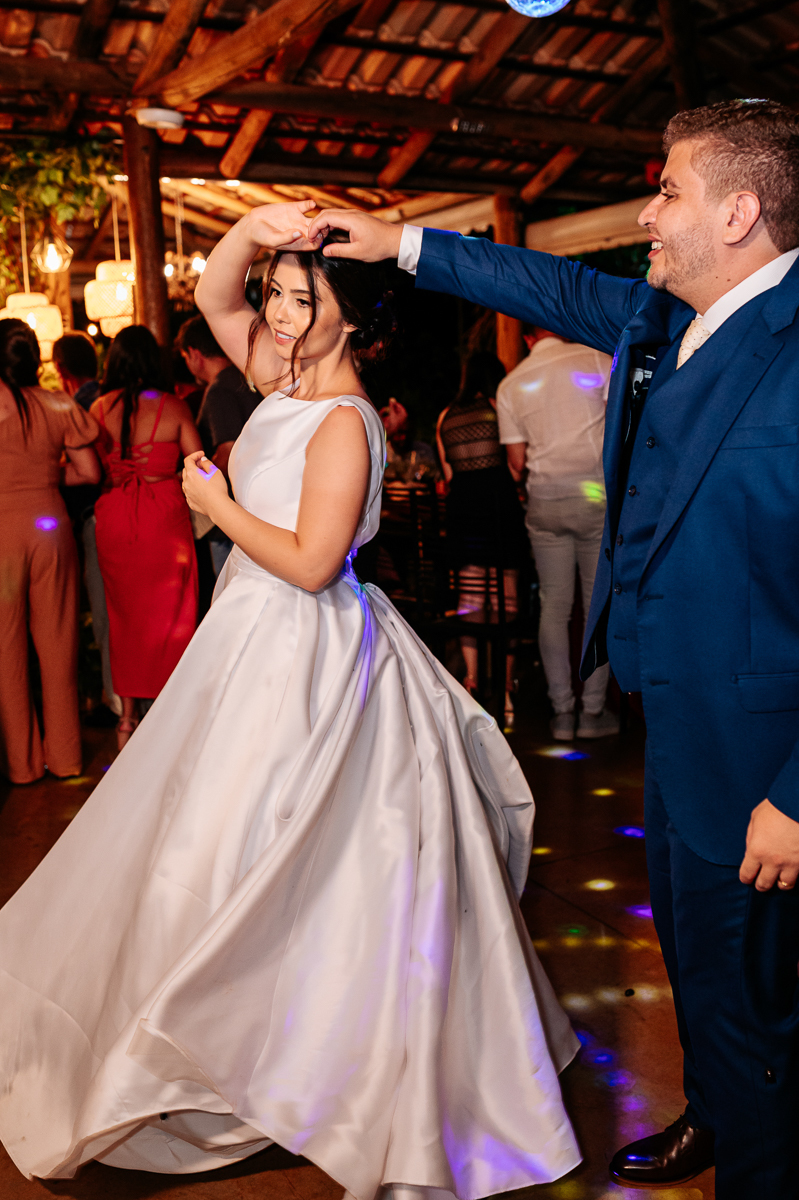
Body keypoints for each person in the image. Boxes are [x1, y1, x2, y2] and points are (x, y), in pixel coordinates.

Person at [0, 202, 580, 1194]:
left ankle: (293, 1057)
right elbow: (214, 292)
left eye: (299, 300)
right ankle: (228, 1046)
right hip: (248, 640)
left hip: (307, 651)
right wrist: (255, 232)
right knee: (210, 847)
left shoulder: (345, 422)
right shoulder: (279, 375)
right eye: (275, 294)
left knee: (283, 856)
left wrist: (216, 506)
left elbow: (315, 564)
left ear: (348, 320)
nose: (271, 314)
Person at [306, 98, 799, 1198]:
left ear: (739, 212)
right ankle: (715, 1111)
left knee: (753, 991)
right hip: (670, 721)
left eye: (666, 189)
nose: (645, 209)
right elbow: (537, 285)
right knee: (691, 953)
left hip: (763, 750)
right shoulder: (670, 319)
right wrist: (395, 242)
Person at [496, 330, 617, 741]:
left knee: (554, 605)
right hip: (595, 496)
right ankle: (593, 712)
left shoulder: (511, 384)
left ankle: (562, 713)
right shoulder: (600, 360)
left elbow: (516, 462)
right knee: (595, 604)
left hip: (545, 501)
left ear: (526, 335)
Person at [89, 326, 201, 749]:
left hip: (116, 515)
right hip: (162, 515)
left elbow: (91, 467)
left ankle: (128, 719)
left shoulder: (98, 408)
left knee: (124, 618)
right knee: (173, 616)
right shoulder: (171, 406)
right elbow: (198, 462)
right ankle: (172, 713)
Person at [0, 319, 100, 784]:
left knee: (7, 651)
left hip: (2, 535)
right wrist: (41, 477)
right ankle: (66, 759)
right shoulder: (58, 403)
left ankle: (22, 767)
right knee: (59, 643)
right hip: (50, 525)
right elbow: (88, 471)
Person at [436, 350, 528, 730]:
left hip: (462, 513)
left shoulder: (444, 417)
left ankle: (471, 684)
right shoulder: (497, 405)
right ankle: (506, 689)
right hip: (499, 509)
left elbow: (446, 472)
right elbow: (514, 467)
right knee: (506, 597)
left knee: (469, 598)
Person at [53, 330, 121, 720]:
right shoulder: (107, 398)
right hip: (136, 515)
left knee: (102, 615)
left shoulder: (73, 408)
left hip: (95, 519)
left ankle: (114, 701)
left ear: (61, 369)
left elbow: (89, 471)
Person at [176, 315, 262, 574]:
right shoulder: (248, 378)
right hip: (257, 503)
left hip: (234, 511)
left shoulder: (219, 389)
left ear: (193, 354)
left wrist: (194, 482)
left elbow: (228, 452)